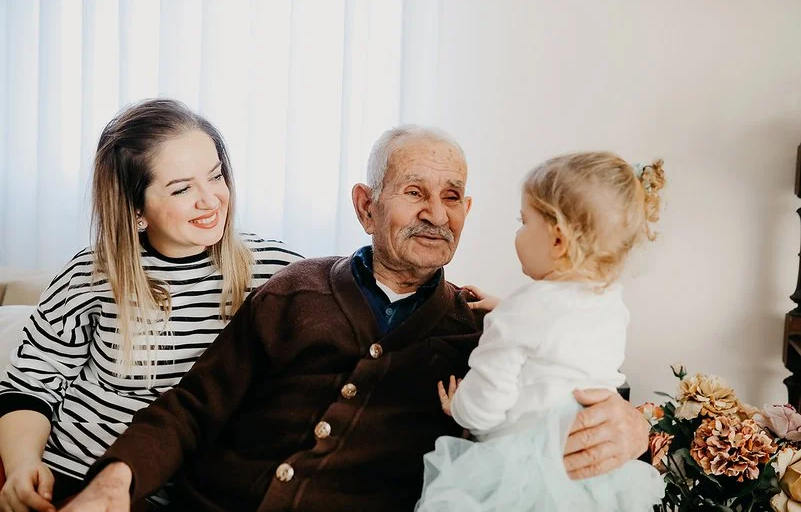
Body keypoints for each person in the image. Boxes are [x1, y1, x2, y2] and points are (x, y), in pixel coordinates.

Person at [62, 128, 650, 512]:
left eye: (452, 197)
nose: (435, 214)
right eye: (413, 191)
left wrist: (635, 426)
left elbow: (573, 384)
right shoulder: (296, 289)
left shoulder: (482, 330)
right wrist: (119, 477)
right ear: (366, 206)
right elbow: (192, 407)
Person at [0, 98, 302, 512]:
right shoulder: (92, 273)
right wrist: (22, 467)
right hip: (70, 473)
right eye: (181, 189)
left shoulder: (277, 271)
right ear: (136, 207)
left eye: (215, 176)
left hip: (189, 493)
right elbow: (29, 385)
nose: (211, 200)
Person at [417, 152, 667, 511]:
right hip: (589, 472)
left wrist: (460, 407)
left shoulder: (522, 314)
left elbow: (486, 405)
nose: (518, 232)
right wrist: (508, 310)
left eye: (524, 221)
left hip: (524, 472)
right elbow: (560, 341)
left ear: (558, 240)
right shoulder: (609, 302)